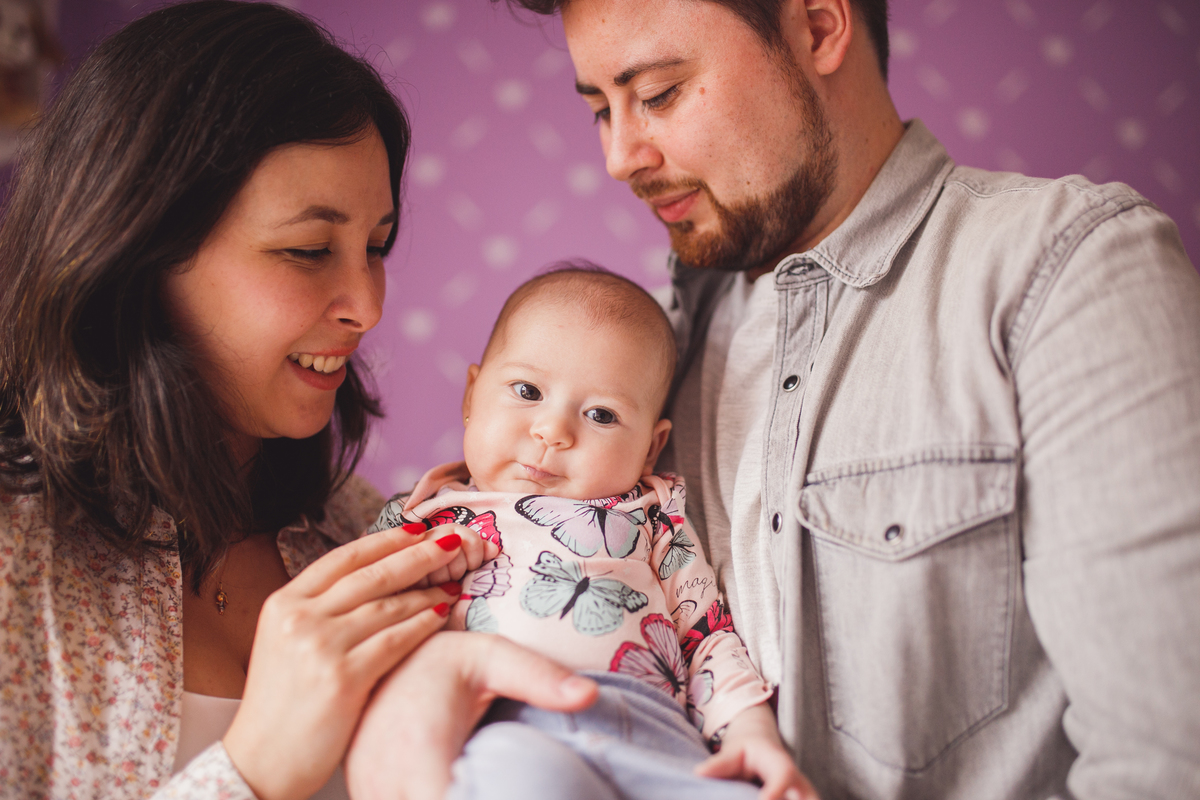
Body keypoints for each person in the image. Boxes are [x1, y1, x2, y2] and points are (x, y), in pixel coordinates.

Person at [353, 0, 1200, 798]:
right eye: (601, 108)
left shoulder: (1062, 274)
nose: (619, 157)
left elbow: (1167, 758)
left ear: (820, 26)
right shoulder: (637, 358)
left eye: (659, 93)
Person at [0, 3, 598, 799]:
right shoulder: (19, 560)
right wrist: (253, 768)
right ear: (139, 248)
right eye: (309, 250)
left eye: (376, 246)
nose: (368, 303)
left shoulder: (358, 534)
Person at [362, 266, 811, 800]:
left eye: (601, 414)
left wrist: (751, 731)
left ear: (650, 445)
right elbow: (364, 631)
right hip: (509, 727)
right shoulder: (421, 518)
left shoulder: (654, 516)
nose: (553, 431)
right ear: (471, 396)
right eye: (527, 390)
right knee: (515, 777)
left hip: (657, 736)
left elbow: (705, 636)